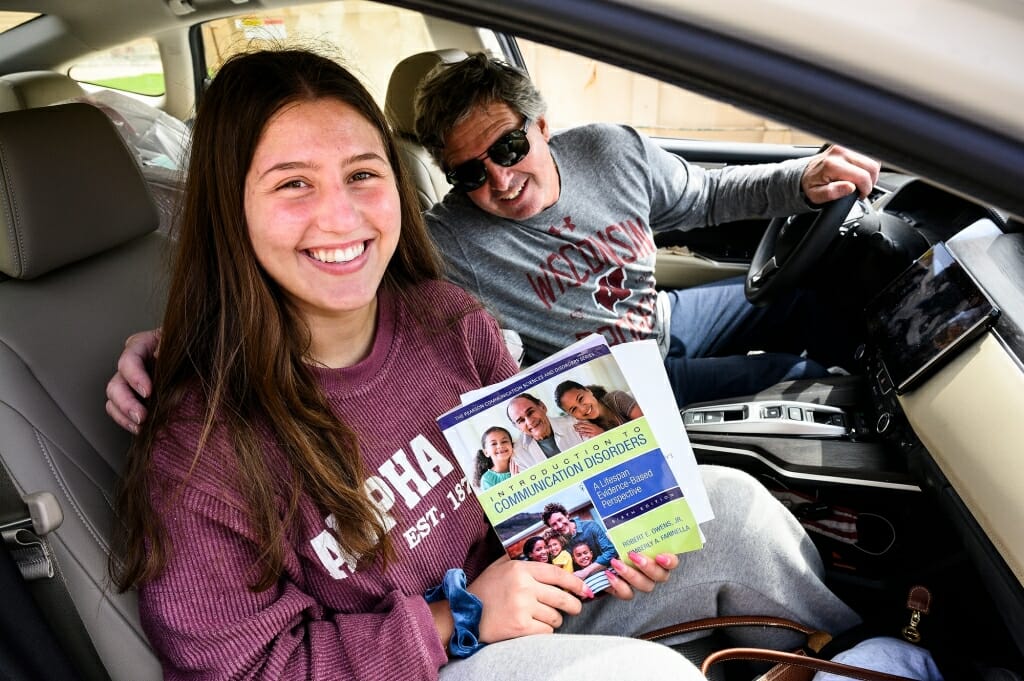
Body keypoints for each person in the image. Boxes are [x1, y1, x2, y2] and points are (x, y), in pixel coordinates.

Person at [107, 46, 864, 678]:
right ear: (230, 207)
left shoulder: (444, 316)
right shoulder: (201, 443)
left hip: (520, 591)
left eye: (363, 174)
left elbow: (536, 484)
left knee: (731, 509)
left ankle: (850, 660)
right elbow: (240, 668)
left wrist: (606, 538)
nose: (340, 216)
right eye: (293, 184)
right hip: (422, 660)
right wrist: (454, 617)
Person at [414, 53, 882, 407]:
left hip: (661, 319)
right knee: (801, 375)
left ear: (539, 125)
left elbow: (708, 196)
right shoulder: (448, 241)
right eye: (470, 174)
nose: (500, 179)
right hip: (619, 388)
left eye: (509, 147)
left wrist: (801, 180)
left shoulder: (610, 152)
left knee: (805, 299)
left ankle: (881, 402)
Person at [505, 393, 586, 474]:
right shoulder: (518, 456)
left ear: (542, 406)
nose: (530, 422)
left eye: (530, 412)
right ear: (517, 427)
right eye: (521, 421)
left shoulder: (576, 424)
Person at [542, 502, 618, 580]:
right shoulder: (559, 544)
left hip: (607, 571)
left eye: (560, 519)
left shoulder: (590, 526)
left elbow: (611, 551)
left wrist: (586, 571)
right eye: (554, 524)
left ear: (567, 515)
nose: (559, 525)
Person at [554, 380, 641, 440]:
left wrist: (604, 435)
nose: (583, 409)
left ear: (588, 391)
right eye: (574, 409)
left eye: (581, 399)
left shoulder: (616, 398)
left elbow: (646, 426)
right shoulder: (586, 429)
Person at [473, 425, 514, 490]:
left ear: (512, 445)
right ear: (486, 452)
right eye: (494, 444)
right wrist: (515, 480)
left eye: (504, 441)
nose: (500, 446)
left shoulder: (521, 463)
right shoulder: (487, 480)